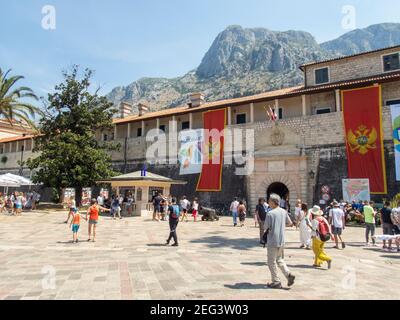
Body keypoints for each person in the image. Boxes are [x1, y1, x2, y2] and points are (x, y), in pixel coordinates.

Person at [263, 193, 295, 289]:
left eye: (269, 201)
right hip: (282, 240)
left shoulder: (270, 213)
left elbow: (265, 227)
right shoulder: (284, 211)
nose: (268, 202)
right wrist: (281, 226)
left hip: (272, 240)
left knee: (271, 262)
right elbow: (290, 223)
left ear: (273, 202)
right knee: (279, 259)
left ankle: (276, 281)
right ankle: (288, 274)